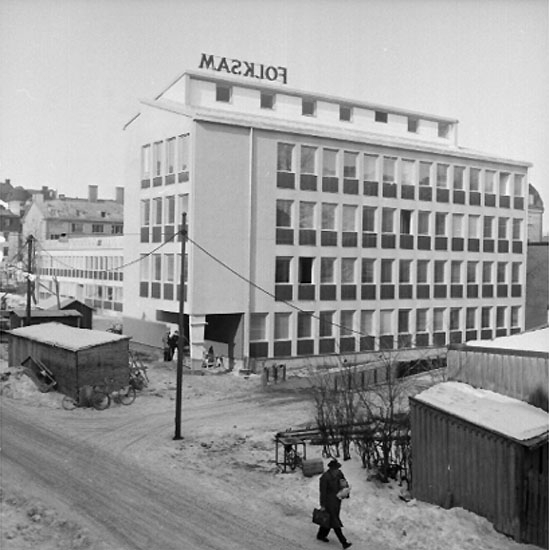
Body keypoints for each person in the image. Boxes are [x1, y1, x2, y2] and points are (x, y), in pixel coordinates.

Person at [316, 459, 352, 549]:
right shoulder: (325, 478)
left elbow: (344, 483)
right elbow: (323, 492)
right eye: (335, 469)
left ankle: (321, 535)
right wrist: (322, 505)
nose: (337, 470)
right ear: (331, 469)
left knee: (328, 519)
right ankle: (343, 542)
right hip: (329, 502)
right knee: (335, 521)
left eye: (337, 468)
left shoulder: (339, 474)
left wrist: (346, 492)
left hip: (337, 500)